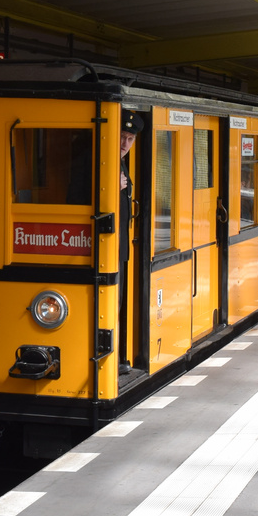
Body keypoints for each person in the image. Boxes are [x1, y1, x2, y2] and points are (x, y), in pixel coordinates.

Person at [117, 110, 143, 375]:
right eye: (122, 137)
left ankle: (115, 357)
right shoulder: (102, 164)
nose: (125, 144)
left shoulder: (122, 163)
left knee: (118, 303)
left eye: (130, 139)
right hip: (108, 248)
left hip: (120, 248)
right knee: (111, 303)